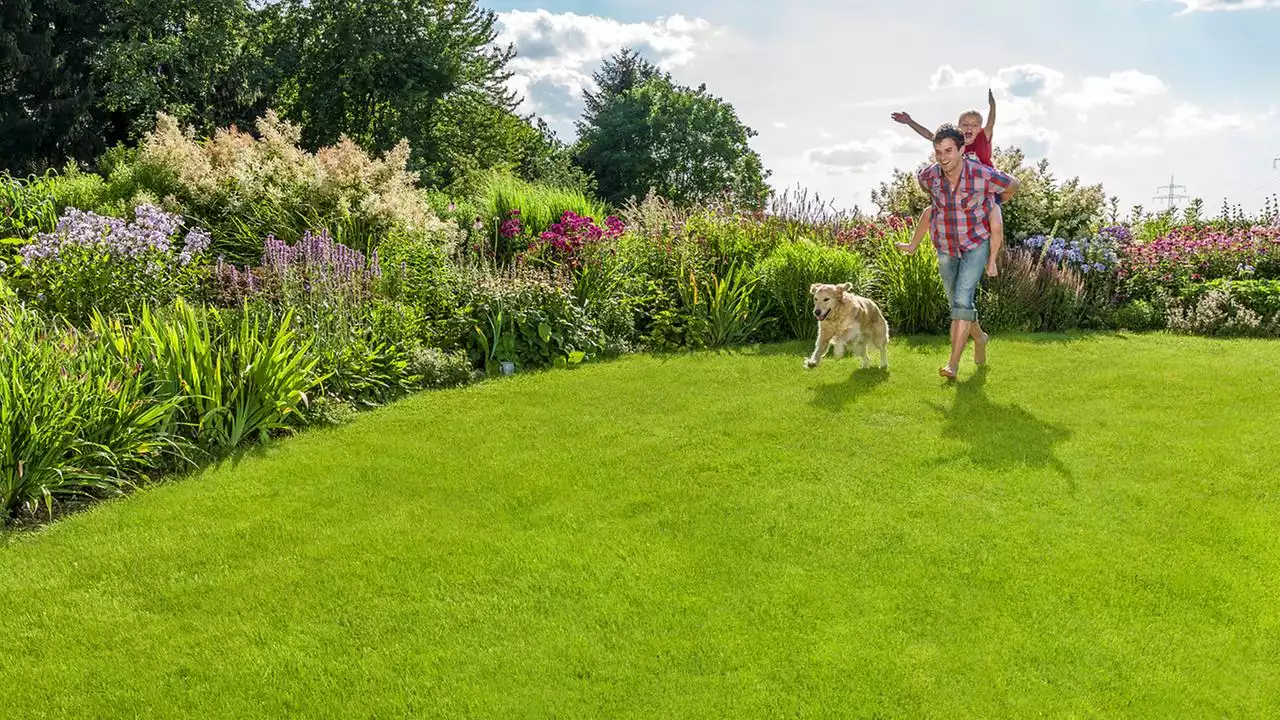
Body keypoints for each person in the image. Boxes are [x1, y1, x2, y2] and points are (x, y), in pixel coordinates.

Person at [896, 124, 1018, 380]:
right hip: (945, 245)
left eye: (948, 150)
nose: (943, 157)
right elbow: (931, 206)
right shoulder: (928, 176)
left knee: (962, 300)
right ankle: (980, 338)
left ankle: (952, 364)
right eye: (938, 151)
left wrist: (994, 202)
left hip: (975, 243)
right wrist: (914, 242)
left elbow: (1012, 184)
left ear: (962, 150)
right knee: (958, 304)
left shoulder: (981, 175)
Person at [891, 90, 1004, 277]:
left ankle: (991, 262)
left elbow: (991, 121)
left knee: (996, 223)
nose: (970, 127)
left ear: (981, 128)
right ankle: (912, 245)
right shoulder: (954, 143)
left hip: (985, 195)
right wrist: (909, 121)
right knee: (930, 212)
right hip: (959, 194)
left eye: (975, 125)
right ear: (958, 128)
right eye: (965, 124)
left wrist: (993, 106)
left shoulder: (984, 138)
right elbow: (929, 135)